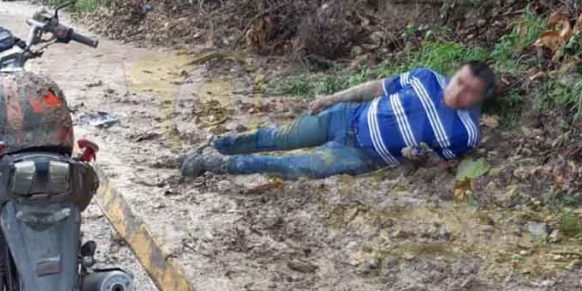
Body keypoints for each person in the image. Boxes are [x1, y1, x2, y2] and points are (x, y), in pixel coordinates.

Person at [180, 62, 496, 178]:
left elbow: (440, 167)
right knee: (278, 136)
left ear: (480, 98)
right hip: (345, 117)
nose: (459, 91)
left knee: (295, 166)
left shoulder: (464, 133)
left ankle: (219, 164)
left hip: (361, 155)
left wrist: (421, 158)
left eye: (470, 91)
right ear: (454, 74)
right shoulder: (425, 78)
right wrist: (334, 98)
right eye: (459, 81)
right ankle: (214, 146)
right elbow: (376, 87)